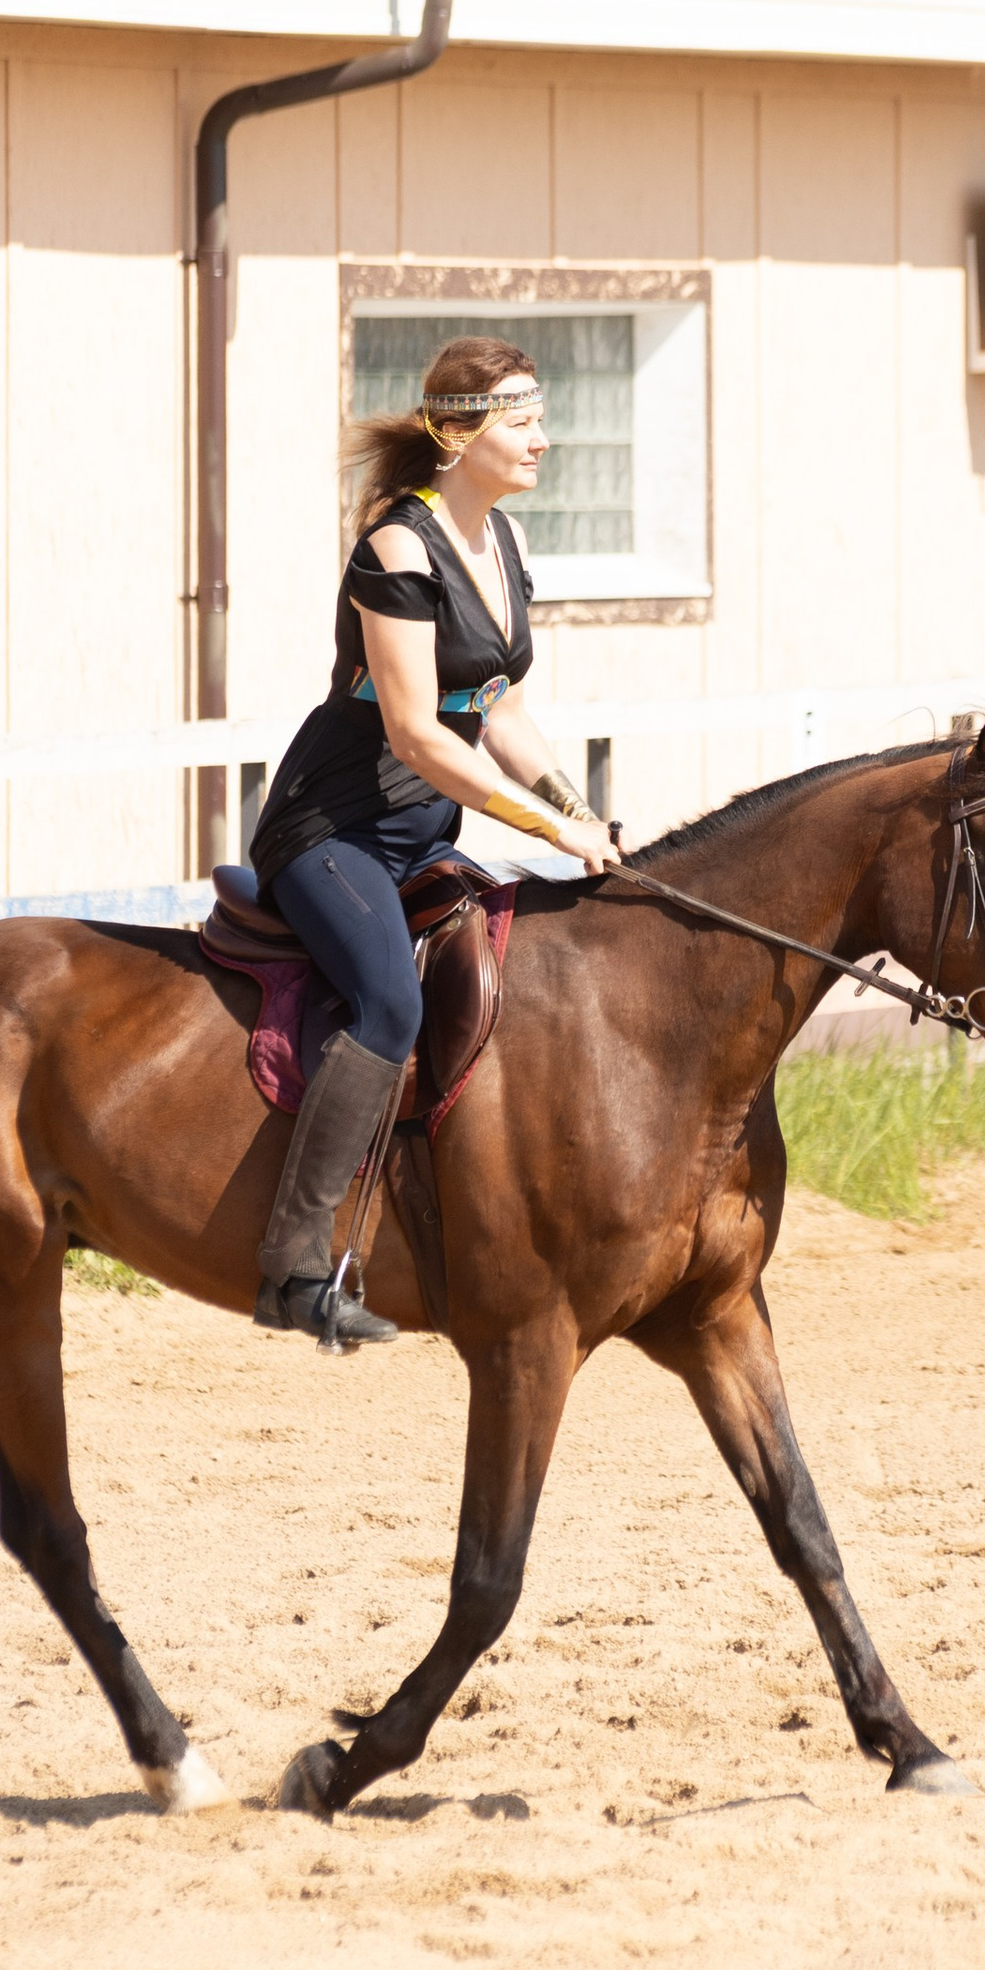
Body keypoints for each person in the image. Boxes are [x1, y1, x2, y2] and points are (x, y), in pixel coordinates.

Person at [242, 335, 625, 1344]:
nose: (545, 436)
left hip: (420, 831)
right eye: (523, 419)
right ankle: (291, 1266)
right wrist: (541, 825)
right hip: (333, 830)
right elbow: (416, 729)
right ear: (459, 434)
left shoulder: (502, 546)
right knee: (388, 1000)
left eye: (540, 415)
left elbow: (492, 706)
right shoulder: (397, 547)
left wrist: (572, 807)